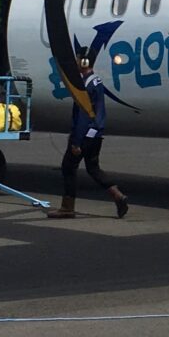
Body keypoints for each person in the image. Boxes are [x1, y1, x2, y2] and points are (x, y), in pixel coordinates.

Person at [51, 55, 129, 219]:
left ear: (83, 63)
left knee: (68, 167)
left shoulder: (84, 85)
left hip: (85, 133)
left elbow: (83, 115)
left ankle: (67, 207)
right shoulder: (97, 81)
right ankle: (117, 194)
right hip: (96, 133)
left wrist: (77, 142)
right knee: (93, 168)